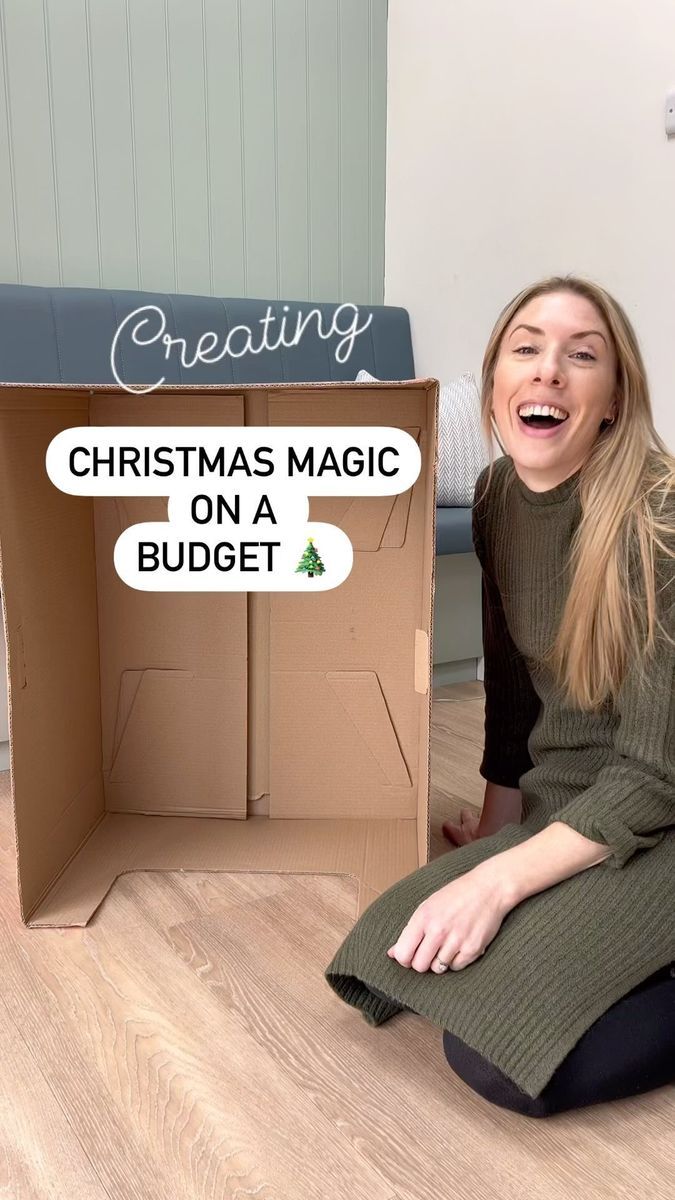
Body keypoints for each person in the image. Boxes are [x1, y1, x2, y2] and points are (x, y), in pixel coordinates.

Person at [324, 275, 675, 1117]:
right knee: (383, 956)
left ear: (612, 399)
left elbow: (657, 773)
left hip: (660, 805)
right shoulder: (496, 499)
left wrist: (497, 882)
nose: (548, 370)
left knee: (498, 1055)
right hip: (577, 802)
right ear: (493, 385)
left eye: (579, 355)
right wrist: (494, 831)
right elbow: (513, 688)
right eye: (526, 347)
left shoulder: (658, 523)